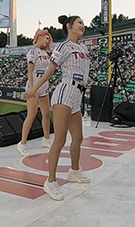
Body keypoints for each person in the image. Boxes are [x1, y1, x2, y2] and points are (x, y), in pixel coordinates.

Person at [24, 15, 91, 201]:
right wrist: (34, 89)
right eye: (79, 23)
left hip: (78, 94)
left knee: (78, 137)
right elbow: (50, 70)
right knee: (60, 139)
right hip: (65, 91)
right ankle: (50, 181)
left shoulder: (83, 47)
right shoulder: (64, 46)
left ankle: (74, 171)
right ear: (69, 26)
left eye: (83, 24)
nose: (82, 26)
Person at [17, 30, 53, 157]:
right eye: (46, 38)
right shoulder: (32, 51)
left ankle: (46, 139)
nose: (47, 41)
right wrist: (32, 89)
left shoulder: (45, 52)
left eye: (49, 39)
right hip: (35, 83)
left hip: (44, 85)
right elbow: (30, 71)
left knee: (46, 113)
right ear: (40, 37)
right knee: (31, 114)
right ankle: (22, 143)